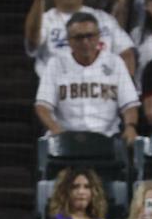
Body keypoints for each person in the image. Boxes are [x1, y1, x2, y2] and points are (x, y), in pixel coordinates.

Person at [35, 11, 140, 142]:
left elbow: (129, 104)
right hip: (66, 139)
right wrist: (55, 129)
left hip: (107, 138)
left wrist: (130, 127)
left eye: (90, 36)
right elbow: (42, 106)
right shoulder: (55, 64)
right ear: (68, 40)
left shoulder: (115, 62)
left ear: (99, 37)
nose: (85, 42)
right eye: (78, 37)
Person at [25, 0, 136, 78]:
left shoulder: (104, 19)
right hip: (59, 95)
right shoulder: (45, 21)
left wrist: (125, 88)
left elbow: (126, 53)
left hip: (102, 94)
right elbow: (32, 42)